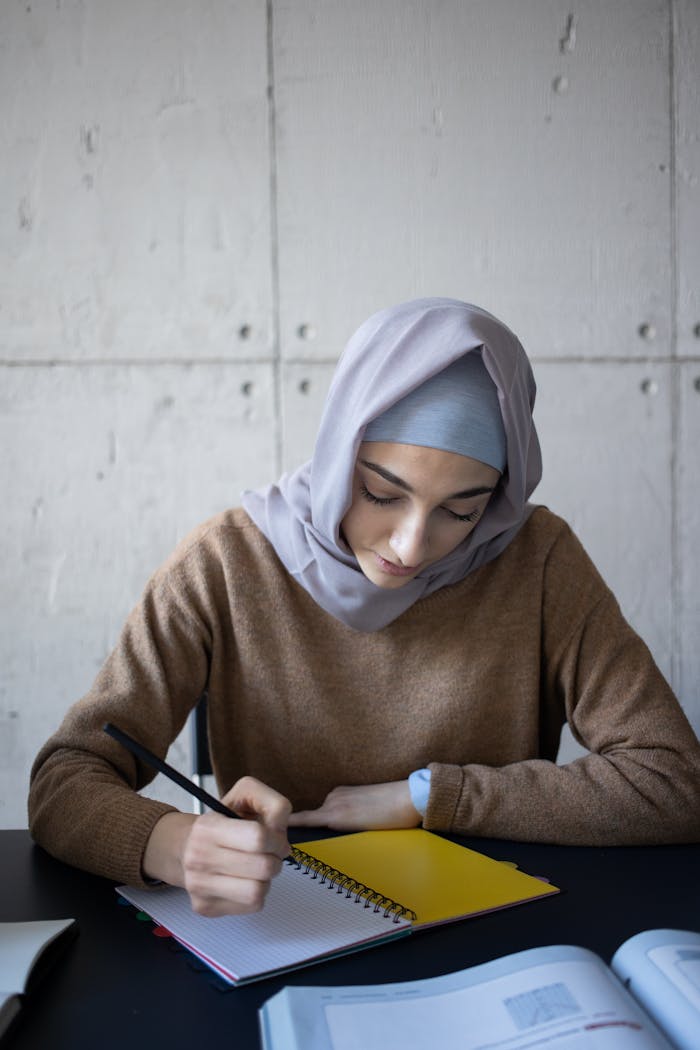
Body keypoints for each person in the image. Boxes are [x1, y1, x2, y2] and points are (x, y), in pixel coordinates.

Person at [28, 298, 700, 919]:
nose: (411, 546)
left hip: (488, 925)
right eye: (381, 494)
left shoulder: (538, 557)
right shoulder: (225, 563)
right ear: (337, 452)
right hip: (281, 927)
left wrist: (431, 798)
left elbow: (674, 781)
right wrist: (170, 842)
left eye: (461, 511)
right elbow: (65, 779)